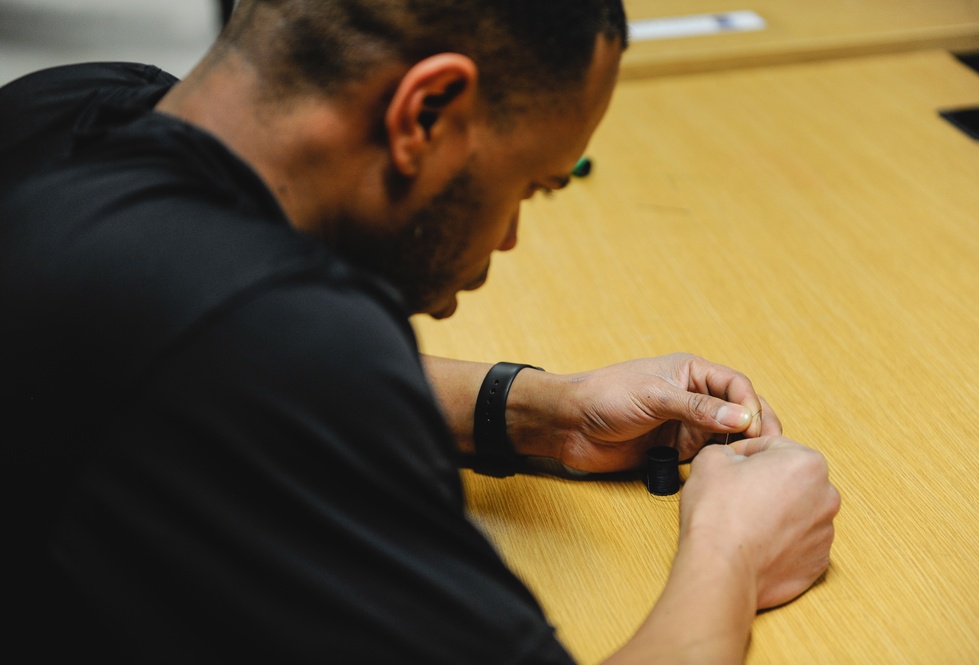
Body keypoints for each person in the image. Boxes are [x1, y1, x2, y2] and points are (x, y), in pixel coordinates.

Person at [0, 1, 840, 662]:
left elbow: (180, 368)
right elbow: (249, 359)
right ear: (426, 110)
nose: (508, 236)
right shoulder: (271, 341)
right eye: (531, 186)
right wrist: (732, 550)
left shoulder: (58, 116)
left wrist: (546, 411)